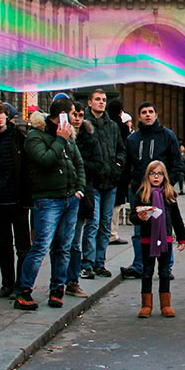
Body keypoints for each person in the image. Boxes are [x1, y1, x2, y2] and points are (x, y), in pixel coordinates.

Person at [14, 97, 85, 311]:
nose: (75, 118)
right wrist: (61, 140)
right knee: (41, 246)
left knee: (63, 247)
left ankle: (57, 290)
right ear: (62, 115)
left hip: (69, 198)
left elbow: (78, 163)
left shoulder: (69, 135)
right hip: (47, 199)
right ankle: (24, 291)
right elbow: (45, 161)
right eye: (72, 113)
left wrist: (79, 191)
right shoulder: (35, 136)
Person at [120, 102, 185, 279]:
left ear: (156, 115)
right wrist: (127, 188)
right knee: (139, 229)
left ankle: (166, 266)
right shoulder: (132, 139)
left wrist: (168, 185)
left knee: (164, 226)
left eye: (150, 112)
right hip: (139, 191)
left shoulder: (167, 136)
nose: (147, 115)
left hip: (162, 192)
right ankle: (140, 265)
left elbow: (178, 164)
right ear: (139, 116)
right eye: (144, 112)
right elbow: (127, 166)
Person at [0, 100, 31, 298]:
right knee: (4, 246)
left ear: (7, 116)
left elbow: (27, 168)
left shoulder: (20, 136)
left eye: (0, 113)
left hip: (18, 199)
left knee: (23, 246)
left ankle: (22, 284)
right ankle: (7, 284)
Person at [133, 160, 185, 318]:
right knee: (147, 271)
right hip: (147, 239)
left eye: (159, 174)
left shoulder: (169, 194)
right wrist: (140, 217)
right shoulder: (142, 194)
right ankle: (146, 305)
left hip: (166, 238)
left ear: (165, 176)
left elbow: (176, 218)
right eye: (152, 173)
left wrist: (182, 238)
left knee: (164, 272)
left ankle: (166, 305)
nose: (156, 177)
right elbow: (133, 217)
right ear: (147, 176)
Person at [83, 89, 126, 277]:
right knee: (93, 223)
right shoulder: (84, 124)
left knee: (105, 224)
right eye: (98, 100)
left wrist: (118, 165)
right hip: (93, 182)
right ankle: (88, 263)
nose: (101, 102)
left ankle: (100, 262)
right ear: (90, 102)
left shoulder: (113, 126)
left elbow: (121, 149)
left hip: (111, 181)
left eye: (104, 100)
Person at [65, 102, 104, 298]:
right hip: (62, 193)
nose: (77, 118)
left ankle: (72, 280)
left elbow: (98, 164)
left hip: (81, 193)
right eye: (74, 114)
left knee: (74, 240)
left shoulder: (90, 138)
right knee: (61, 241)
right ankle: (60, 280)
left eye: (80, 115)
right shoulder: (61, 136)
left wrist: (78, 165)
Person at [106, 98, 130, 245]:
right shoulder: (122, 127)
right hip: (120, 170)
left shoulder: (106, 125)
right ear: (121, 112)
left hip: (106, 169)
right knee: (116, 204)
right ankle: (112, 233)